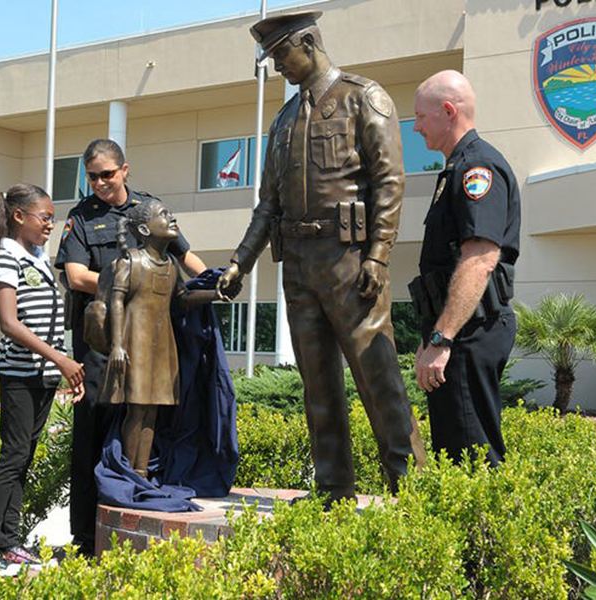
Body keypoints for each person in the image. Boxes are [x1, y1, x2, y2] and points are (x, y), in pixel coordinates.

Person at [218, 11, 425, 507]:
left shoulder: (362, 97)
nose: (276, 68)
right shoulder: (284, 121)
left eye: (280, 56)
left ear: (308, 42)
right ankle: (334, 490)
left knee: (378, 379)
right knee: (317, 384)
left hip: (350, 260)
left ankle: (414, 490)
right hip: (300, 265)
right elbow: (268, 204)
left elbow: (390, 183)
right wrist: (239, 263)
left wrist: (378, 255)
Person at [55, 138, 206, 556]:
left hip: (152, 336)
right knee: (95, 430)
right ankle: (88, 535)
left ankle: (137, 505)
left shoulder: (148, 209)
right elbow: (75, 274)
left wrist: (216, 279)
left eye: (107, 174)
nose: (100, 183)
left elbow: (186, 258)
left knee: (148, 422)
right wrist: (124, 278)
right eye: (92, 176)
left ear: (125, 170)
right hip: (104, 344)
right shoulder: (82, 217)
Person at [0, 183, 85, 575]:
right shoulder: (8, 258)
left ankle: (9, 542)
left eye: (53, 218)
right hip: (20, 374)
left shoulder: (36, 257)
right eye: (45, 218)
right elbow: (9, 324)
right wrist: (61, 359)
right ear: (20, 217)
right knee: (12, 458)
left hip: (44, 376)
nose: (50, 225)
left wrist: (59, 368)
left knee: (23, 458)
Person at [409, 70, 521, 466]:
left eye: (421, 117)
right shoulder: (455, 168)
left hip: (470, 334)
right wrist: (435, 335)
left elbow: (479, 260)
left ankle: (483, 532)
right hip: (460, 332)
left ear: (448, 111)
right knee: (453, 455)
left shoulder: (478, 169)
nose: (416, 126)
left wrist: (442, 339)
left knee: (472, 459)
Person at [103, 198, 223, 476]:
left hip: (162, 345)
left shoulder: (170, 263)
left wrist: (216, 294)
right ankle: (130, 473)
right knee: (137, 409)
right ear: (144, 230)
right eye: (163, 214)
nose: (171, 218)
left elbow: (182, 298)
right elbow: (117, 302)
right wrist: (118, 344)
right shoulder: (130, 262)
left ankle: (141, 470)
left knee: (152, 409)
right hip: (135, 342)